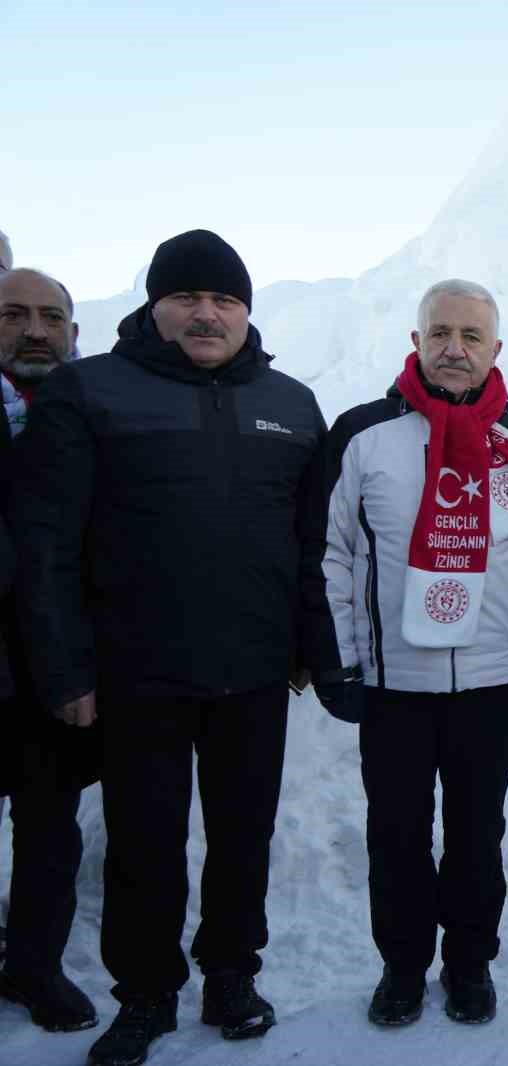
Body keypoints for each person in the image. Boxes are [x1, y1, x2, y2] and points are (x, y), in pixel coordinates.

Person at [11, 230, 327, 1066]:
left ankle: (230, 976)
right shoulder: (92, 392)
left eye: (224, 299)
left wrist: (306, 644)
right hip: (136, 671)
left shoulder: (292, 404)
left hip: (255, 670)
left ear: (246, 311)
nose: (206, 313)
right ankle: (147, 994)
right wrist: (66, 669)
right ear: (154, 306)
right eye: (187, 296)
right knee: (144, 841)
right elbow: (47, 546)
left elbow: (310, 542)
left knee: (242, 834)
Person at [311, 279, 508, 1028]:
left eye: (471, 336)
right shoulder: (362, 436)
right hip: (394, 687)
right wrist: (339, 663)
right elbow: (333, 556)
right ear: (415, 342)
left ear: (495, 351)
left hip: (491, 686)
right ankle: (403, 966)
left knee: (479, 835)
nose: (455, 348)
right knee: (397, 835)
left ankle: (470, 961)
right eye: (440, 333)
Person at [0, 267, 98, 1033]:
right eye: (14, 314)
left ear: (73, 331)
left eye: (51, 316)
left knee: (47, 831)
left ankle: (34, 967)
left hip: (54, 668)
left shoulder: (94, 416)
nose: (36, 329)